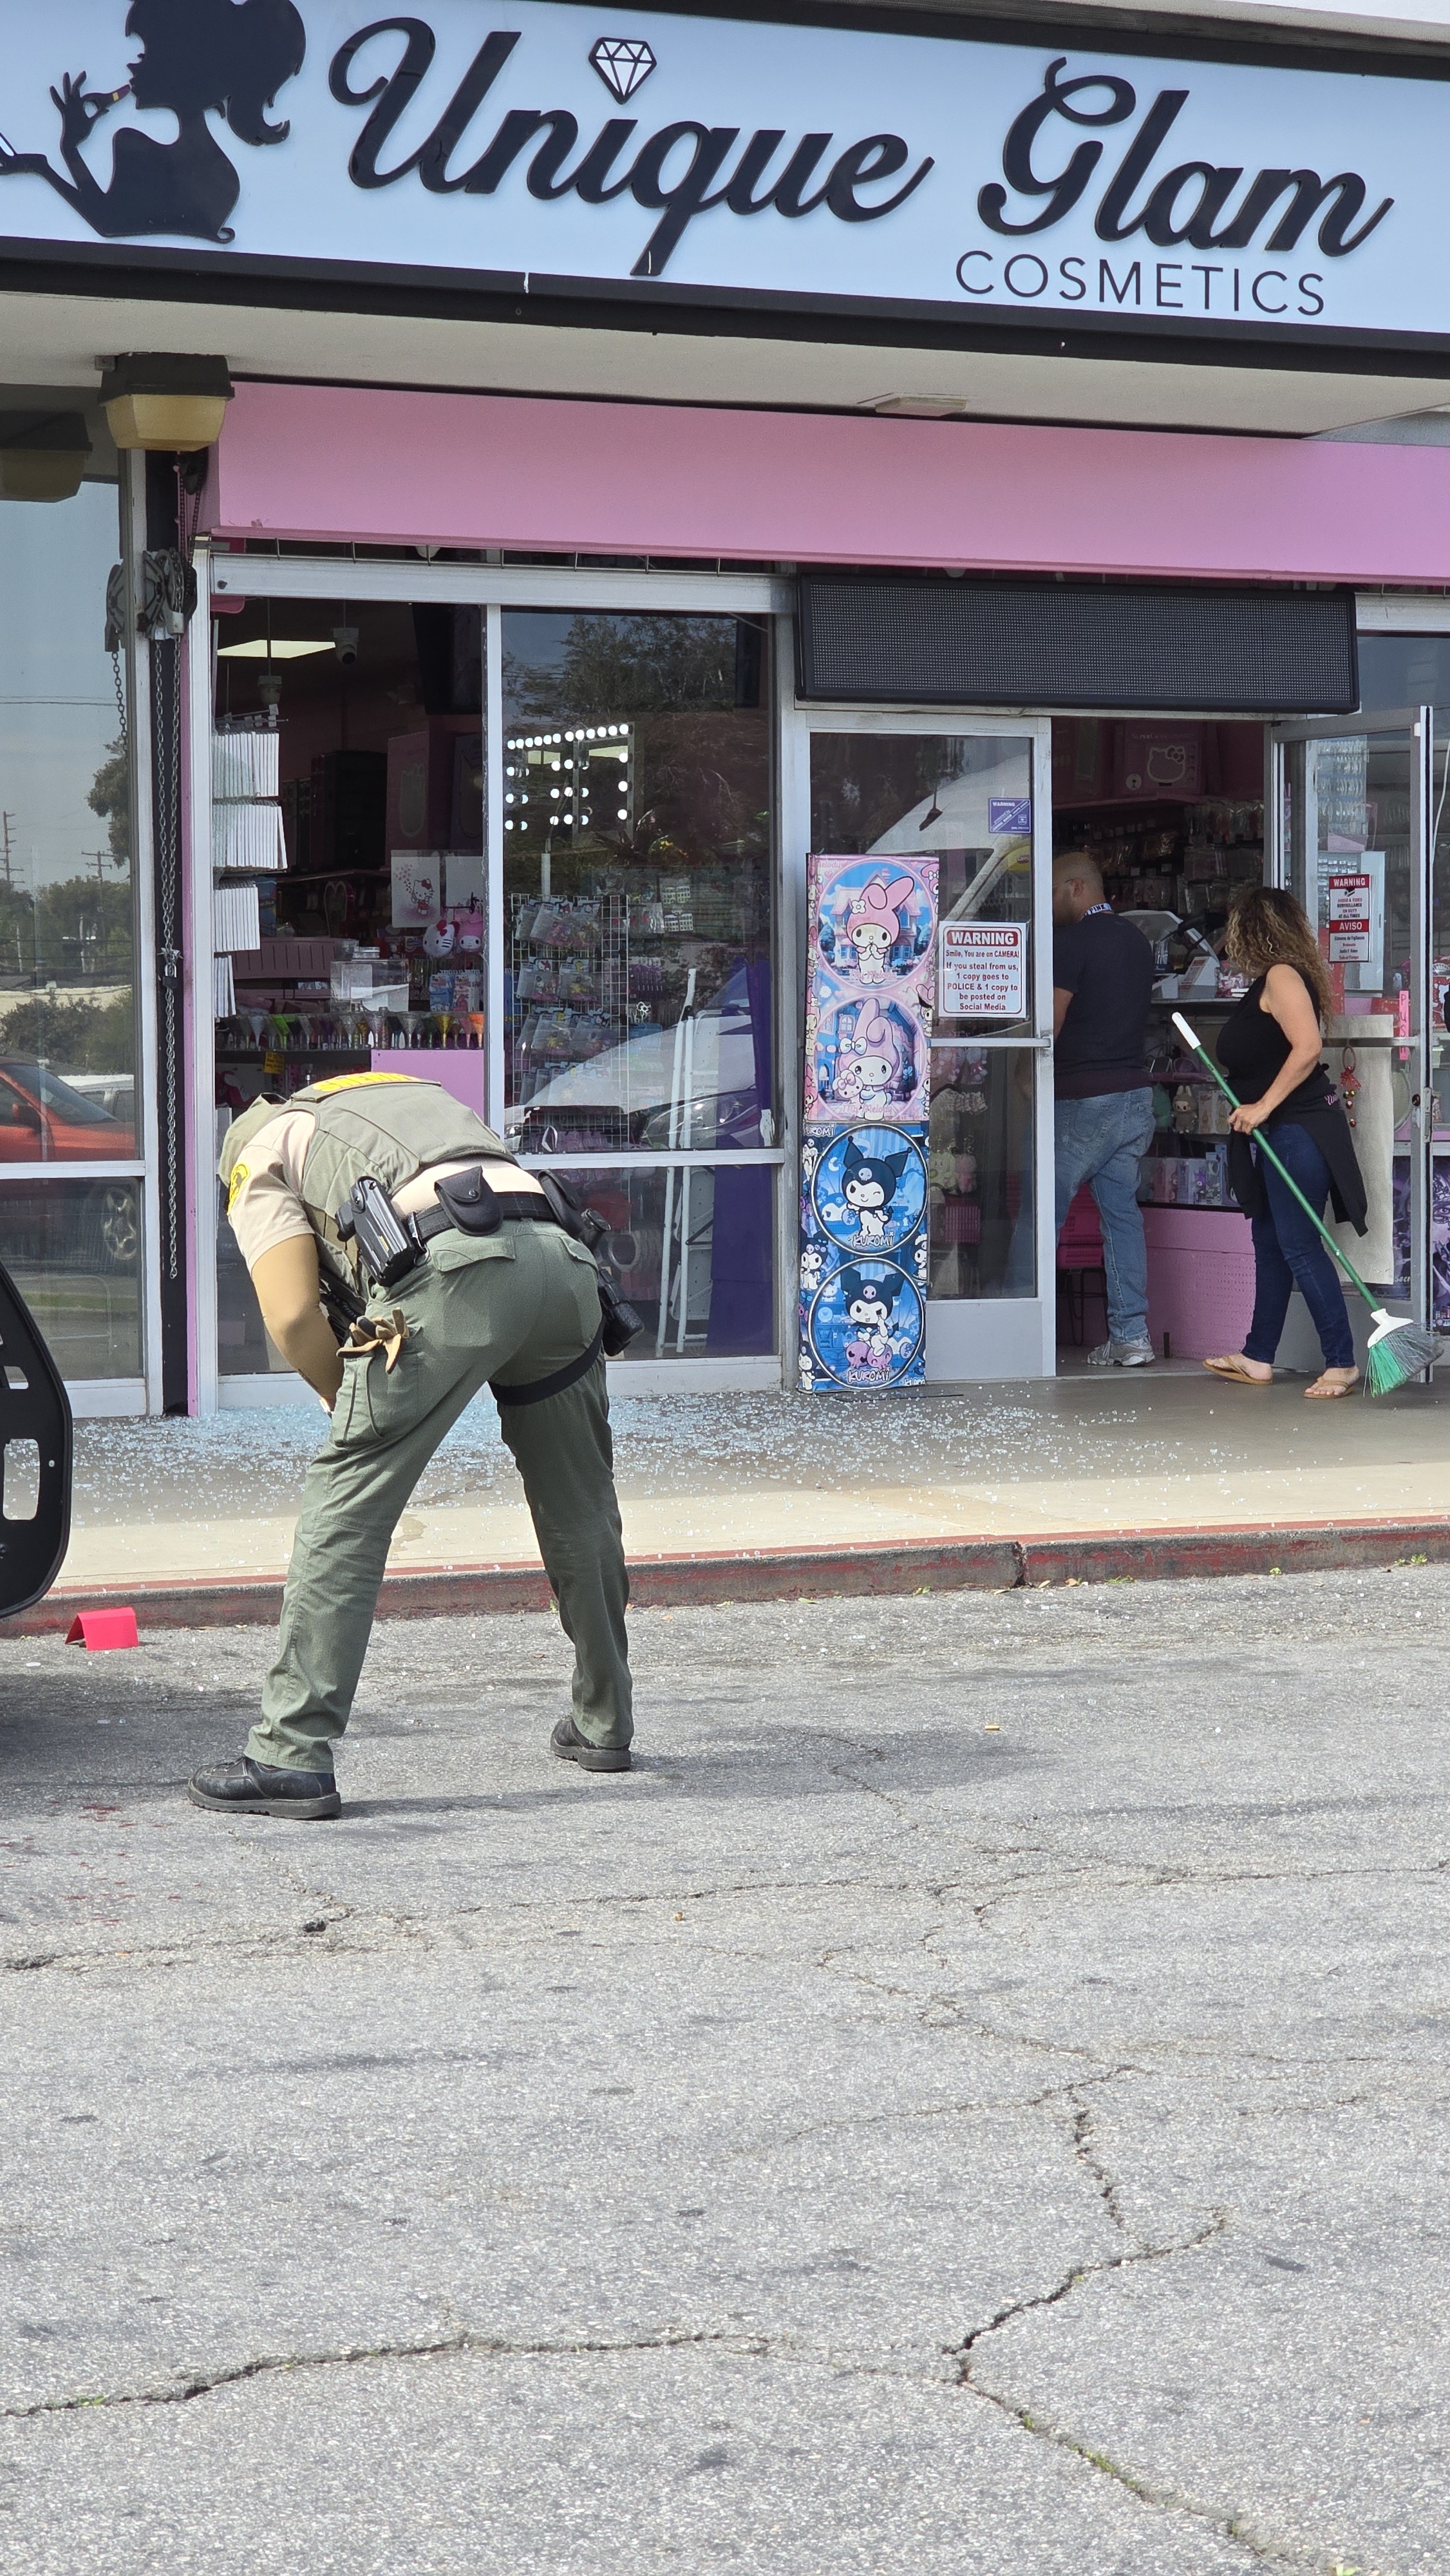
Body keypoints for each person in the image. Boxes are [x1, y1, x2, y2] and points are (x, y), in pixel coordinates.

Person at [189, 1071, 633, 1821]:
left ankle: (290, 1753)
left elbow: (295, 1314)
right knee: (579, 1501)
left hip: (453, 1270)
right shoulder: (397, 1094)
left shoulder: (255, 1147)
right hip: (564, 1269)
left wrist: (342, 1395)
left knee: (346, 1508)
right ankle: (605, 1722)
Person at [1204, 886, 1366, 1398]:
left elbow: (1309, 1048)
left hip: (1300, 1129)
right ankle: (1258, 1356)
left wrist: (1263, 1106)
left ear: (1251, 929)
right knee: (1271, 1244)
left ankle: (1341, 1362)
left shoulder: (1281, 976)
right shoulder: (1271, 981)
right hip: (1282, 1131)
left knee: (1297, 1246)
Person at [1049, 850, 1157, 1365]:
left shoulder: (1071, 943)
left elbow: (1050, 1024)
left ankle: (1022, 1331)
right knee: (1121, 1219)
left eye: (1050, 892)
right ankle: (1131, 1336)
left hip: (1081, 1099)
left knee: (1041, 1212)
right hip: (1135, 1095)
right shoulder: (1137, 941)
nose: (1047, 905)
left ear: (1076, 888)